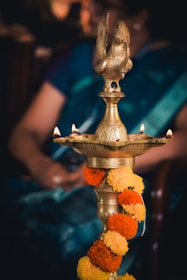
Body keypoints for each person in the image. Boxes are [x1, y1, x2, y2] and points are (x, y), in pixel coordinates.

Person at [2, 0, 187, 279]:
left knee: (58, 236)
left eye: (102, 6)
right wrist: (39, 164)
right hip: (55, 179)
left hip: (126, 184)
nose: (90, 13)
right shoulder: (78, 56)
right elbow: (26, 132)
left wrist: (110, 166)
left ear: (138, 16)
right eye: (88, 6)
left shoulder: (175, 66)